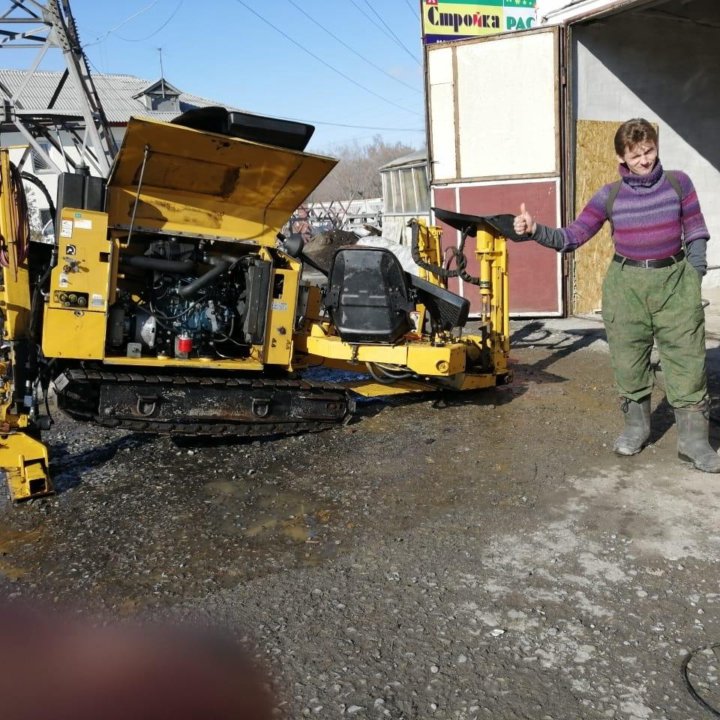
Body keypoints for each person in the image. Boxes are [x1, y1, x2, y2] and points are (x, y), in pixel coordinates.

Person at [513, 117, 720, 473]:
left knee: (687, 358)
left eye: (649, 151)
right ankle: (637, 428)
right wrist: (535, 231)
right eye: (636, 154)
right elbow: (573, 236)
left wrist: (694, 274)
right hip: (626, 285)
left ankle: (694, 442)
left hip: (675, 281)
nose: (645, 160)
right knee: (629, 359)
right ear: (622, 158)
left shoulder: (678, 183)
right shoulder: (610, 196)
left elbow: (696, 230)